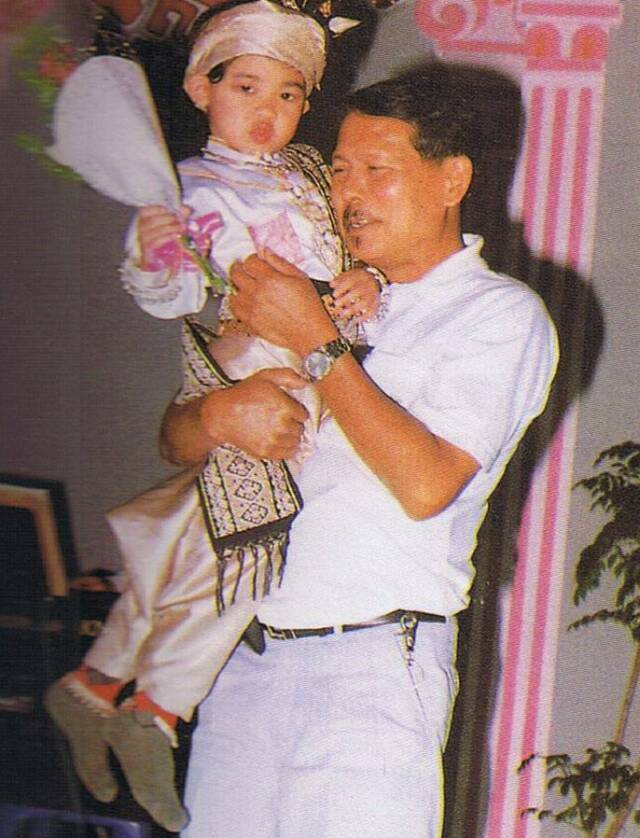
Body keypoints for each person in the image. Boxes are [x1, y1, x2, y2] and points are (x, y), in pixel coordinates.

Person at [160, 63, 559, 838]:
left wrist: (317, 341)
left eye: (378, 170)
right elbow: (174, 443)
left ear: (452, 180)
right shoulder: (319, 288)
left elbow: (426, 484)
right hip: (243, 658)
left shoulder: (498, 315)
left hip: (370, 668)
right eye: (340, 170)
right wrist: (214, 413)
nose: (350, 193)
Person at [44, 1, 383, 832]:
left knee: (195, 536)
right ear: (203, 89)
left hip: (317, 371)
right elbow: (171, 295)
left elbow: (353, 266)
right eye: (247, 88)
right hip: (256, 370)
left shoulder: (309, 174)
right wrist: (157, 251)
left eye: (288, 95)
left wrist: (367, 284)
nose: (268, 111)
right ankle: (157, 709)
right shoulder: (192, 185)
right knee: (247, 549)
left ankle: (94, 685)